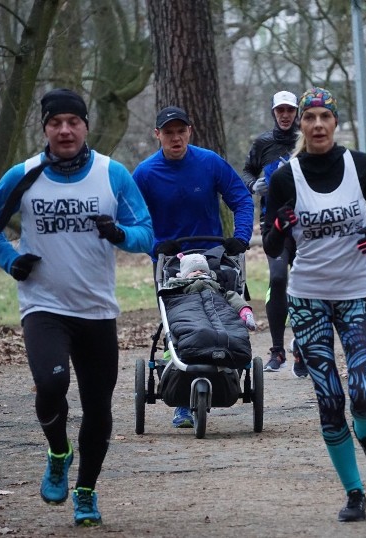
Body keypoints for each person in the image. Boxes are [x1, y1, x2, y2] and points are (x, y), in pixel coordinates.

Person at [0, 88, 154, 527]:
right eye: (56, 123)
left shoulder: (113, 174)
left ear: (86, 126)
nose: (65, 130)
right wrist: (11, 260)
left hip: (96, 309)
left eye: (73, 121)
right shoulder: (25, 174)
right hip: (44, 306)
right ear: (45, 128)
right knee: (51, 386)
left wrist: (119, 236)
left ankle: (86, 492)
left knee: (98, 409)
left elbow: (147, 233)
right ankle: (58, 452)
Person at [263, 87, 366, 522]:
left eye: (325, 117)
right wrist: (280, 224)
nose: (317, 124)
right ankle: (355, 492)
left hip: (357, 292)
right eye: (309, 117)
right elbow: (270, 242)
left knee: (364, 391)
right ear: (300, 124)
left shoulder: (362, 165)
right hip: (308, 299)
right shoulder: (285, 177)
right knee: (330, 397)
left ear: (335, 123)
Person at [133, 105, 254, 429]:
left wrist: (240, 238)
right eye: (168, 132)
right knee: (180, 321)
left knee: (217, 309)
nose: (175, 138)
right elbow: (132, 217)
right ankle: (182, 400)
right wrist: (155, 246)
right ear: (157, 134)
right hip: (170, 260)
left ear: (190, 131)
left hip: (213, 255)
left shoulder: (209, 162)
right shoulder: (145, 173)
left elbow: (242, 199)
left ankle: (223, 369)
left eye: (180, 131)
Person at [241, 90, 307, 376]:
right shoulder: (263, 143)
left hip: (305, 222)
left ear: (296, 113)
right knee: (278, 278)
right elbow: (245, 173)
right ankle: (277, 350)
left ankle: (303, 349)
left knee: (305, 285)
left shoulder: (305, 140)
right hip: (273, 224)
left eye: (289, 110)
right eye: (280, 110)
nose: (284, 115)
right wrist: (254, 184)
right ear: (273, 112)